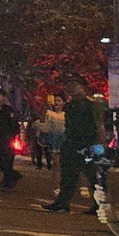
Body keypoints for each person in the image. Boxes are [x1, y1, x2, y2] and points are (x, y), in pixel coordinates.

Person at [44, 78, 104, 213]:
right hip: (71, 143)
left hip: (88, 144)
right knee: (68, 175)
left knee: (93, 176)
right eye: (68, 86)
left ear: (83, 87)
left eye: (74, 85)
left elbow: (99, 126)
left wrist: (100, 146)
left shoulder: (92, 105)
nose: (70, 88)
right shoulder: (70, 106)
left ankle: (99, 205)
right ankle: (62, 203)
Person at [0, 94, 21, 189]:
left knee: (7, 161)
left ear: (4, 98)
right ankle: (13, 175)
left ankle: (8, 182)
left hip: (6, 139)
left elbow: (14, 125)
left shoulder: (8, 110)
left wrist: (11, 136)